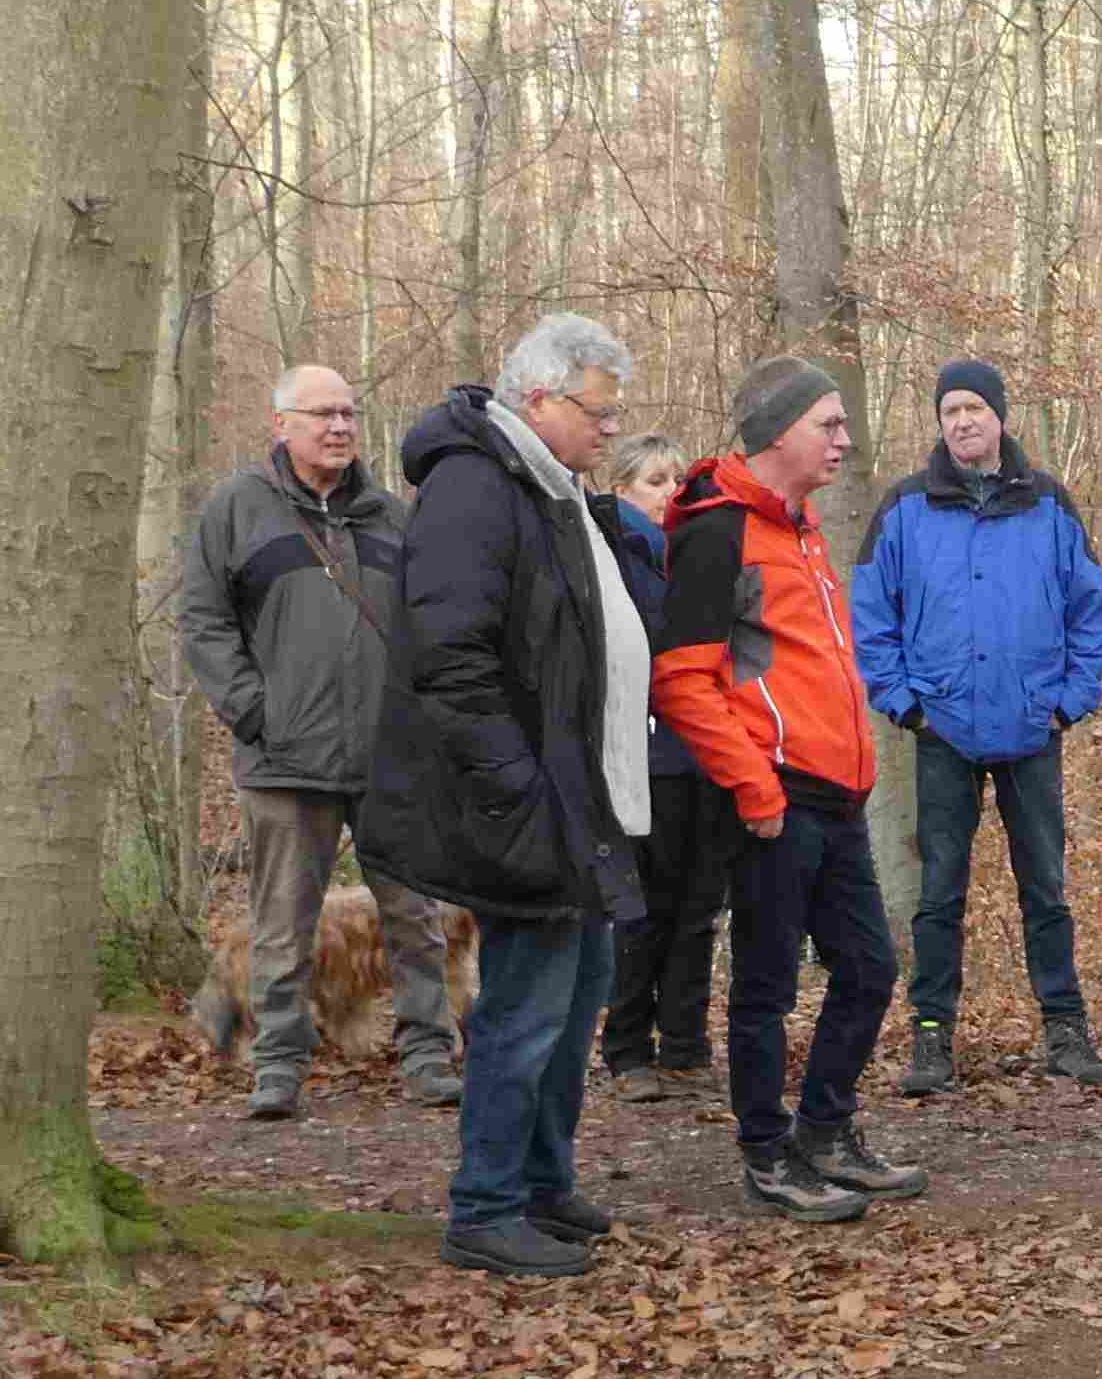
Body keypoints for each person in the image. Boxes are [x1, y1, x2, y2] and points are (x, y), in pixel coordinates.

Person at [355, 313, 654, 1276]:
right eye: (598, 411)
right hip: (527, 799)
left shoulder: (548, 484)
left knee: (579, 998)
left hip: (580, 795)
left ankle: (540, 1183)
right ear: (539, 398)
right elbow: (452, 657)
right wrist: (514, 784)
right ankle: (485, 1206)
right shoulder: (476, 487)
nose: (611, 430)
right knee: (526, 1005)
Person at [657, 358, 924, 1222]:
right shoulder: (715, 531)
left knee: (869, 969)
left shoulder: (803, 527)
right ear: (779, 432)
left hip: (835, 794)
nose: (845, 439)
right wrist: (754, 789)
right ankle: (766, 1154)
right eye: (829, 424)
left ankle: (825, 1131)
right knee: (768, 987)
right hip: (771, 800)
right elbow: (683, 681)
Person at [176, 362, 458, 1118]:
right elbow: (202, 620)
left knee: (414, 918)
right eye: (321, 414)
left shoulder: (392, 517)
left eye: (348, 414)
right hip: (283, 759)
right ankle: (278, 1065)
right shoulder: (237, 510)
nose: (339, 428)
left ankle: (429, 1054)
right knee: (282, 924)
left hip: (388, 759)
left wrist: (421, 723)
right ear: (281, 425)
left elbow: (432, 625)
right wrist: (253, 710)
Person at [856, 357, 1102, 1097]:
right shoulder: (906, 507)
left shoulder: (1048, 503)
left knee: (1047, 888)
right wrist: (902, 702)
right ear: (939, 424)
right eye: (950, 411)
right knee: (940, 892)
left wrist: (1072, 698)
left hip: (1034, 729)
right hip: (941, 729)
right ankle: (932, 1040)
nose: (964, 421)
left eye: (975, 407)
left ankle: (1066, 1033)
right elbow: (871, 615)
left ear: (1000, 415)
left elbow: (1091, 609)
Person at [591, 436, 728, 1096]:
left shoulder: (698, 554)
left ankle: (685, 1041)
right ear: (622, 489)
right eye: (653, 480)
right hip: (642, 754)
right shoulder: (607, 556)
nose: (671, 490)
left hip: (708, 752)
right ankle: (627, 1049)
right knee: (641, 909)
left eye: (677, 478)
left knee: (699, 906)